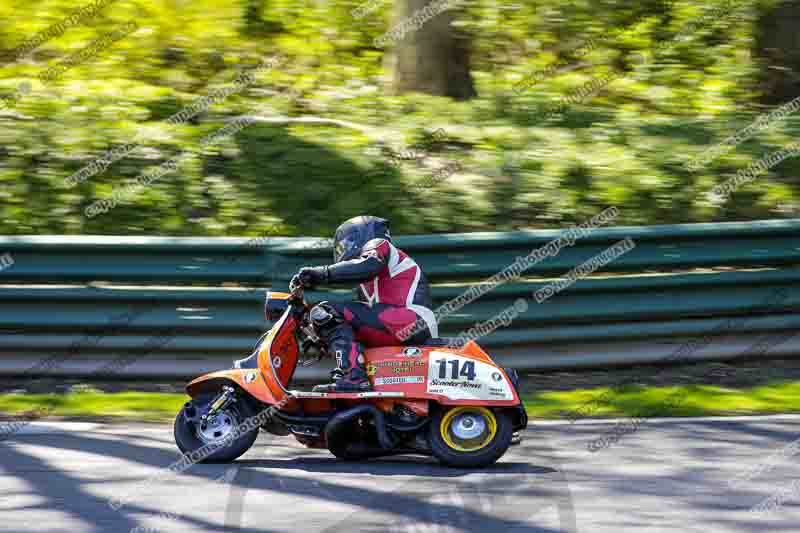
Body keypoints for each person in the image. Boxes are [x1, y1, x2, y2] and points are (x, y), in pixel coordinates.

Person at [290, 215, 438, 392]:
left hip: (414, 320)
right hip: (399, 326)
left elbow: (368, 265)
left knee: (326, 310)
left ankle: (352, 378)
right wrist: (317, 334)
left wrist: (322, 273)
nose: (343, 249)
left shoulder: (379, 246)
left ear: (364, 234)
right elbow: (344, 329)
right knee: (330, 320)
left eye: (347, 241)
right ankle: (350, 376)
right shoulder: (365, 286)